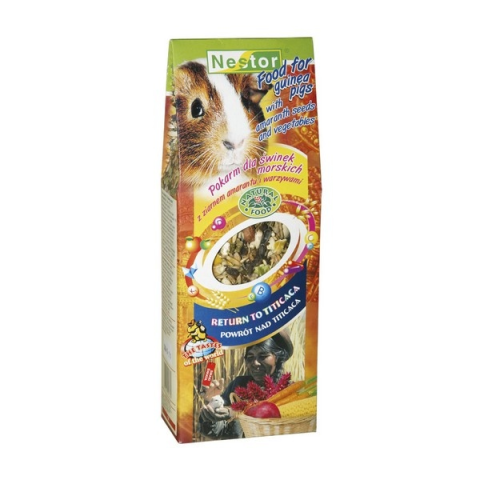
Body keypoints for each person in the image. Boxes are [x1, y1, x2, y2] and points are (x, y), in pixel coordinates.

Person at [198, 329, 294, 439]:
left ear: (278, 358)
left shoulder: (290, 392)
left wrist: (236, 413)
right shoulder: (239, 385)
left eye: (263, 356)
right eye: (250, 357)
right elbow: (218, 432)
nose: (255, 363)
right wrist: (212, 404)